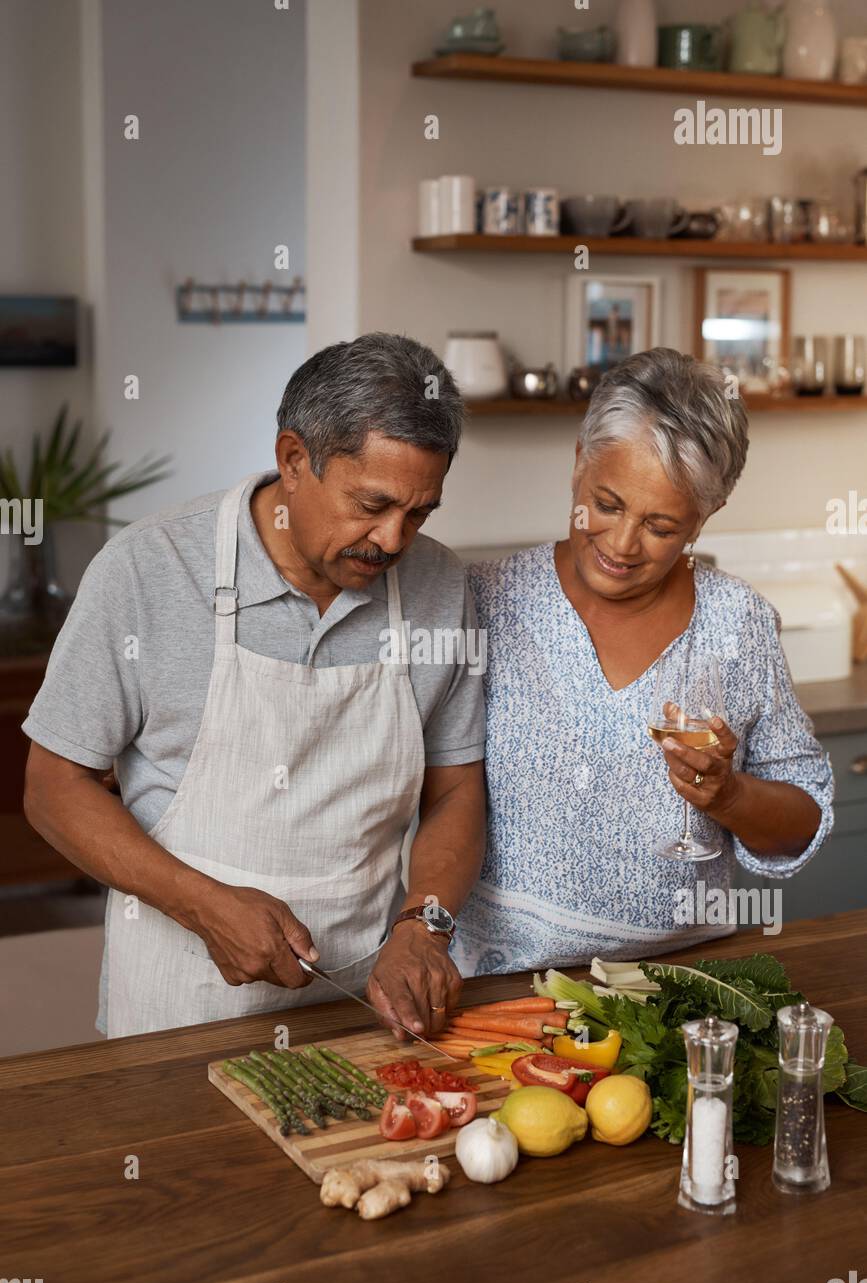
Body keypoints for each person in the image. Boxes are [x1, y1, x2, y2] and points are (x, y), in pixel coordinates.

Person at [23, 333, 486, 1038]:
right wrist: (204, 906)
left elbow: (454, 789)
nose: (393, 541)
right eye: (371, 504)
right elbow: (52, 786)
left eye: (418, 513)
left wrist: (423, 927)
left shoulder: (440, 588)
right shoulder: (149, 570)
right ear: (294, 461)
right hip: (182, 1002)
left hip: (362, 1001)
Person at [456, 347, 833, 975]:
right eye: (606, 504)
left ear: (705, 516)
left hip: (687, 985)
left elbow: (801, 822)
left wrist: (730, 795)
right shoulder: (483, 602)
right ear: (579, 462)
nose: (623, 545)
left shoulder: (738, 624)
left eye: (660, 526)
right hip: (501, 992)